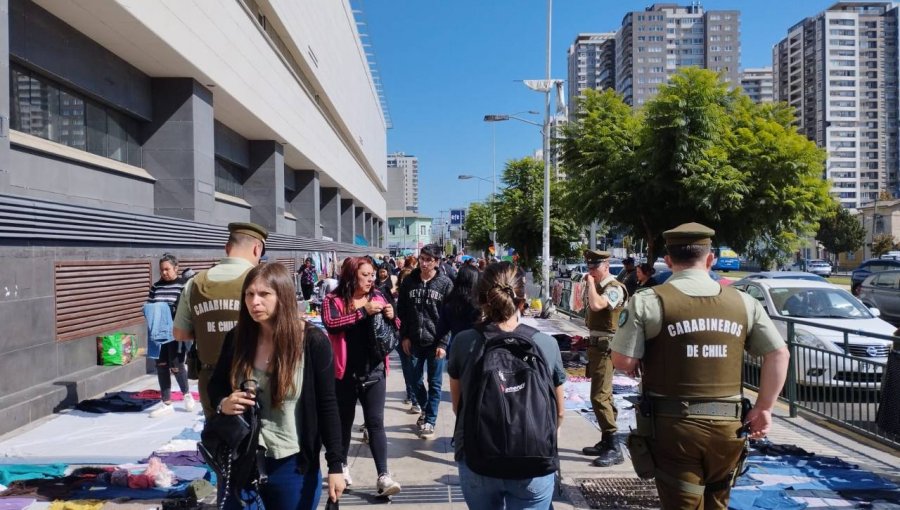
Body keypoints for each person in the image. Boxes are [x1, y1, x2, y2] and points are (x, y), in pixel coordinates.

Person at [611, 223, 790, 509]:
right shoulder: (743, 302)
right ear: (710, 259)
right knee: (717, 500)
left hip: (673, 427)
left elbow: (623, 361)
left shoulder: (650, 300)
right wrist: (764, 408)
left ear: (668, 260)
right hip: (729, 427)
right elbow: (779, 354)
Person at [208, 263, 345, 509]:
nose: (254, 302)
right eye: (249, 294)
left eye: (264, 294)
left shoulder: (313, 342)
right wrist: (223, 402)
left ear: (282, 296)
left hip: (292, 465)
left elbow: (328, 406)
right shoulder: (237, 338)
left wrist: (336, 465)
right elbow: (215, 385)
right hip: (242, 459)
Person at [448, 261, 566, 509]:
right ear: (523, 301)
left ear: (481, 298)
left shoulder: (463, 342)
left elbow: (459, 406)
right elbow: (559, 412)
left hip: (477, 457)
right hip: (533, 461)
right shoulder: (546, 344)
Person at [322, 257, 402, 496]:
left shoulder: (379, 295)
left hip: (375, 370)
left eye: (372, 274)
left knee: (375, 422)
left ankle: (384, 475)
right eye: (365, 275)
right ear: (351, 275)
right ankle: (343, 467)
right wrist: (362, 312)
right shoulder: (332, 300)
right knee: (344, 423)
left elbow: (397, 325)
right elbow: (332, 323)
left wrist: (390, 315)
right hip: (345, 372)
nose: (371, 279)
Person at [174, 222, 267, 419]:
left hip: (210, 377)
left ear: (227, 248)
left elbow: (180, 333)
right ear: (257, 248)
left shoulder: (195, 282)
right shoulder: (262, 283)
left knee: (217, 440)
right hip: (254, 376)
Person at [397, 244, 454, 439]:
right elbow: (401, 311)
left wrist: (443, 343)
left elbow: (450, 316)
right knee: (414, 379)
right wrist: (404, 335)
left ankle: (430, 420)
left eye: (428, 259)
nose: (423, 262)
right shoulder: (409, 282)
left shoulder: (445, 284)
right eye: (422, 258)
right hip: (413, 340)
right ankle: (426, 407)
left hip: (436, 342)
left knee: (435, 383)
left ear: (437, 262)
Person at [580, 249, 627, 467]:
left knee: (599, 397)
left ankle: (615, 446)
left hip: (607, 348)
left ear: (606, 265)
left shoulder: (614, 288)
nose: (591, 272)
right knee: (603, 395)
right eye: (589, 267)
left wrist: (589, 284)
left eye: (595, 267)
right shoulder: (598, 287)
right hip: (596, 347)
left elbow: (598, 306)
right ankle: (606, 441)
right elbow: (581, 308)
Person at [144, 253, 194, 418]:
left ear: (176, 268)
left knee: (176, 365)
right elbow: (150, 305)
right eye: (161, 270)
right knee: (162, 366)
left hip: (175, 332)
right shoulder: (156, 286)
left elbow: (188, 308)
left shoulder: (183, 285)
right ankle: (166, 402)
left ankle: (186, 394)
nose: (164, 273)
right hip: (158, 334)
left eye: (167, 269)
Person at [435, 265, 481, 355]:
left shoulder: (450, 302)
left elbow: (441, 329)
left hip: (456, 346)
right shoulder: (478, 303)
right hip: (476, 347)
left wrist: (442, 344)